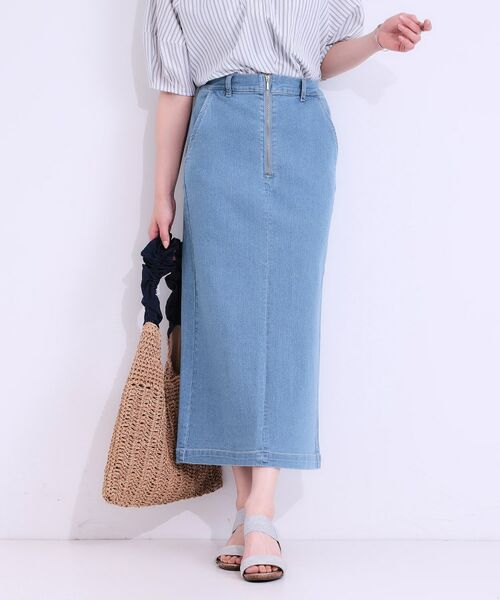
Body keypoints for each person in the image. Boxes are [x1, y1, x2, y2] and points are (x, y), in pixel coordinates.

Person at [143, 0, 432, 583]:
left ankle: (261, 509)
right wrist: (162, 193)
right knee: (225, 319)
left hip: (301, 129)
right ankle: (248, 512)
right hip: (218, 132)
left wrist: (375, 40)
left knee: (287, 319)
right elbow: (175, 87)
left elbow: (320, 58)